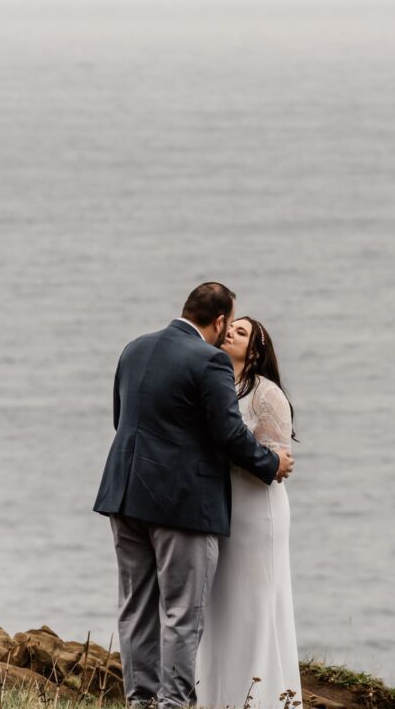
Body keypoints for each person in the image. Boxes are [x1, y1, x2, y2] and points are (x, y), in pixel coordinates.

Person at [93, 282, 294, 709]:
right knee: (183, 615)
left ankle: (140, 701)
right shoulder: (210, 362)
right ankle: (173, 705)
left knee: (135, 608)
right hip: (180, 506)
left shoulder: (135, 348)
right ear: (219, 321)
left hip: (124, 496)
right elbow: (228, 433)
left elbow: (121, 417)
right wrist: (269, 463)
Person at [196, 316, 301, 709]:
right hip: (221, 508)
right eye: (229, 329)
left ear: (255, 351)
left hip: (258, 510)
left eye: (240, 333)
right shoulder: (216, 386)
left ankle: (262, 698)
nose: (230, 334)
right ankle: (219, 697)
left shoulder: (265, 393)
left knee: (255, 603)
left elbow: (277, 460)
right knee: (222, 603)